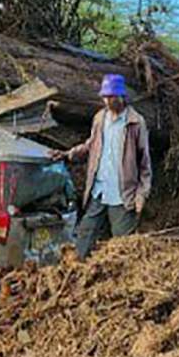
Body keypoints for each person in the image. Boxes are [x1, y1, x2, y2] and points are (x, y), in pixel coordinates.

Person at [50, 74, 152, 259]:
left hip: (123, 195)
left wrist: (141, 195)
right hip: (99, 190)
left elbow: (144, 163)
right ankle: (79, 274)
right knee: (84, 236)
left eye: (112, 97)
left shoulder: (135, 123)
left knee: (124, 247)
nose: (108, 101)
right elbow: (91, 144)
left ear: (122, 97)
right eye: (105, 97)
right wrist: (68, 154)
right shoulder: (100, 118)